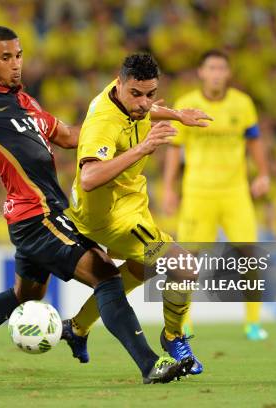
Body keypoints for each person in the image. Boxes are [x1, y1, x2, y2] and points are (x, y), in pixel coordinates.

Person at [0, 26, 189, 384]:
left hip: (41, 215)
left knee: (25, 293)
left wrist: (139, 114)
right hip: (37, 216)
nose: (16, 65)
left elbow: (74, 137)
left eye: (19, 55)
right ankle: (150, 364)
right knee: (106, 274)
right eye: (6, 57)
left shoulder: (29, 105)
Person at [60, 53, 212, 374]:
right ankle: (173, 336)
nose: (144, 103)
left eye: (151, 94)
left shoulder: (127, 98)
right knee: (183, 266)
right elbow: (88, 177)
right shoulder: (103, 122)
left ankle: (77, 327)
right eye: (137, 94)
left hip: (131, 203)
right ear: (120, 84)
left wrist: (177, 115)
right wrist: (142, 148)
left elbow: (145, 110)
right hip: (111, 217)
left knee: (141, 268)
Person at [163, 49, 270, 341]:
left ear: (228, 73)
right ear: (201, 72)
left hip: (235, 192)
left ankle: (252, 323)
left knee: (250, 256)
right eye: (211, 68)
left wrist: (262, 173)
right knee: (187, 260)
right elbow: (175, 149)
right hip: (198, 192)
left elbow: (254, 140)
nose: (217, 73)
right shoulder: (186, 104)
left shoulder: (243, 104)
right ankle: (184, 324)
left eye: (222, 68)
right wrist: (170, 188)